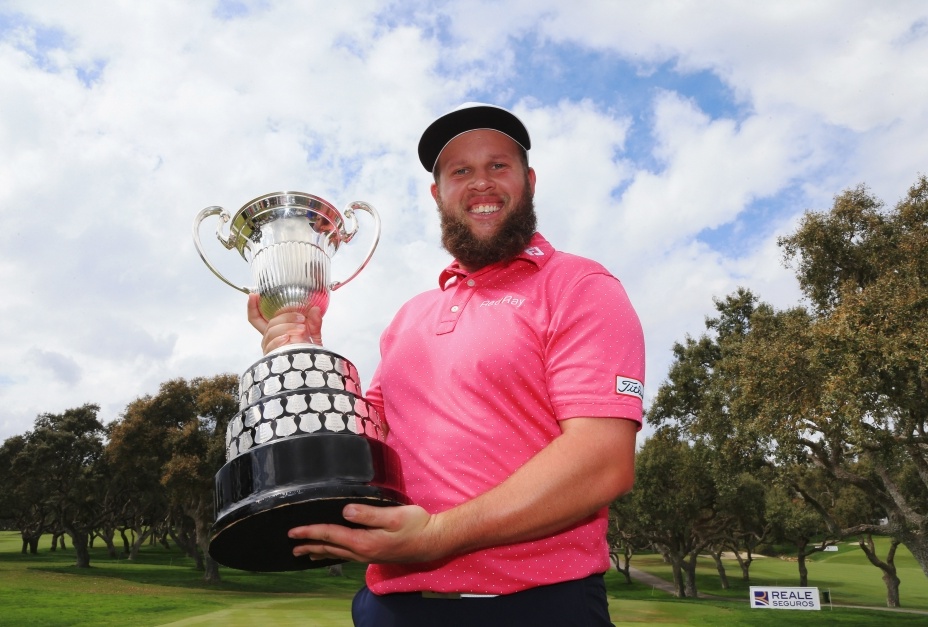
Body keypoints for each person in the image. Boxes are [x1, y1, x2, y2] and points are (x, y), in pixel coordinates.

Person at [248, 103, 645, 626]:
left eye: (497, 166)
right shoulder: (410, 316)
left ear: (528, 181)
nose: (480, 183)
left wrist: (437, 536)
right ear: (439, 194)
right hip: (391, 606)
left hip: (537, 607)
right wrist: (304, 353)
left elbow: (602, 461)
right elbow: (363, 443)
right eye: (460, 171)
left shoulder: (580, 287)